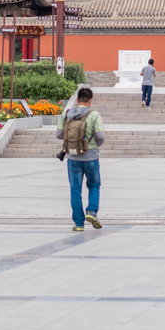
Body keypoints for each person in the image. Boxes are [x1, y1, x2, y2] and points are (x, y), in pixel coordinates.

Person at [55, 88, 104, 231]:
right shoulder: (94, 115)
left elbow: (58, 134)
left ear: (77, 100)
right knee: (94, 185)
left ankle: (79, 224)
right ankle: (92, 212)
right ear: (90, 101)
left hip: (72, 157)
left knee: (75, 189)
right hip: (91, 157)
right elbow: (100, 136)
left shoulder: (67, 113)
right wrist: (94, 145)